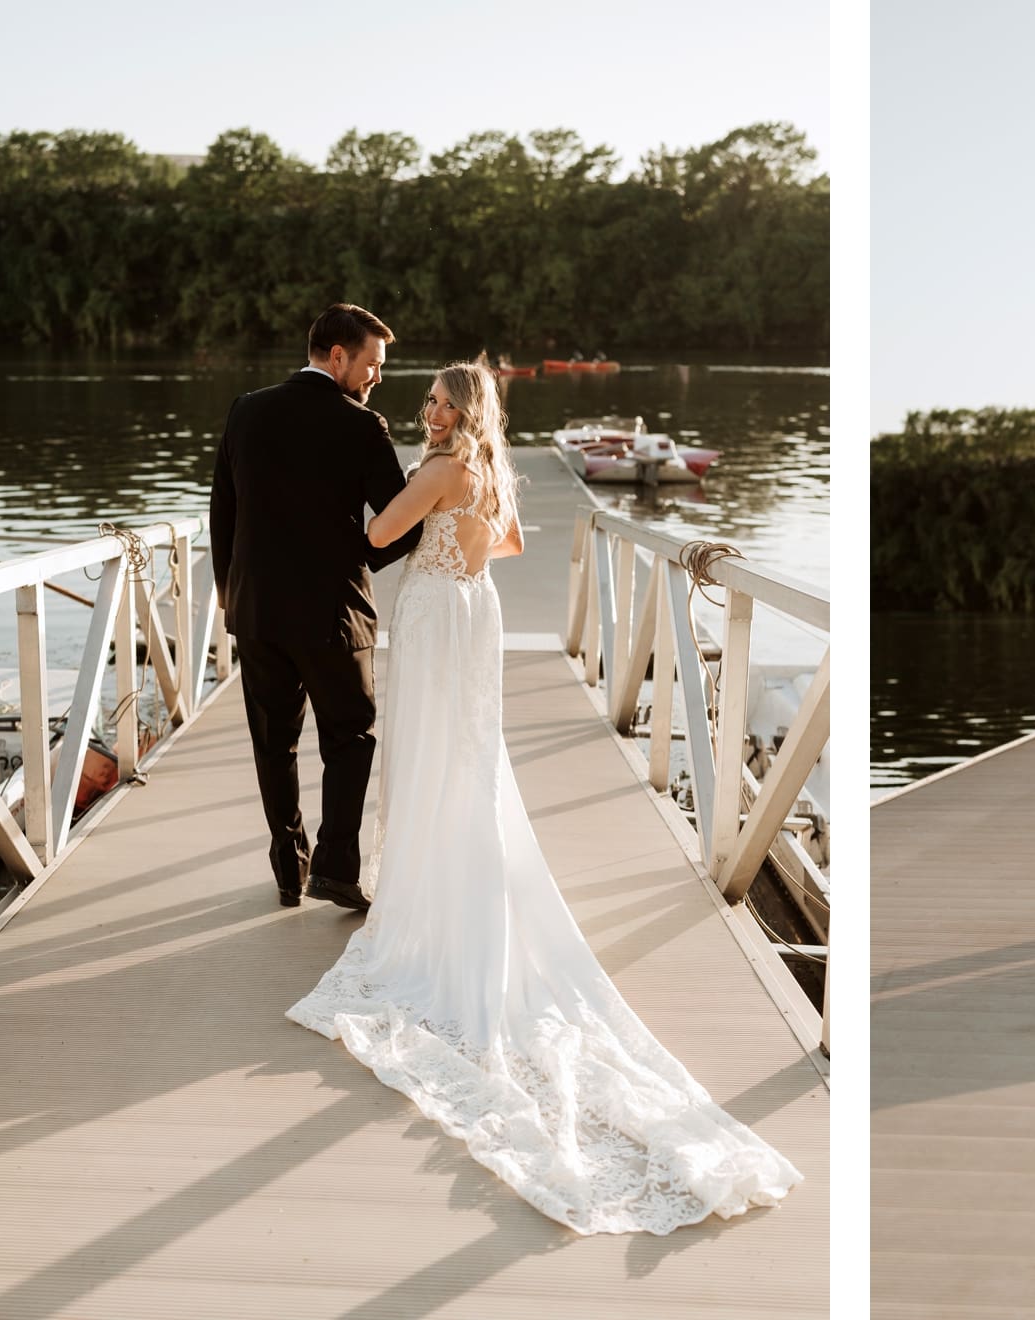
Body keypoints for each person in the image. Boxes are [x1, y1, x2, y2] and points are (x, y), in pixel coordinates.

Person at [284, 361, 802, 1234]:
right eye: (429, 402)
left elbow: (377, 539)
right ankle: (460, 872)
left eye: (440, 402)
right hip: (475, 609)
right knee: (467, 757)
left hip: (436, 616)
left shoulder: (443, 469)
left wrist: (382, 501)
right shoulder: (491, 471)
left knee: (427, 755)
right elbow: (514, 544)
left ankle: (426, 891)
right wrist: (455, 532)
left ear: (462, 410)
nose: (429, 410)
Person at [208, 303, 422, 910]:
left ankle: (286, 865)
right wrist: (352, 558)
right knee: (350, 737)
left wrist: (232, 598)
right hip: (333, 617)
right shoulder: (361, 426)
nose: (377, 377)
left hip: (256, 615)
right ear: (338, 356)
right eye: (373, 364)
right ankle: (333, 866)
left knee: (274, 743)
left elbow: (223, 513)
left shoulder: (245, 411)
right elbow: (401, 524)